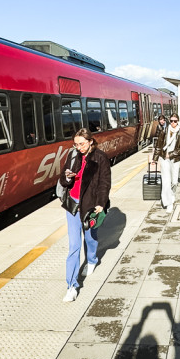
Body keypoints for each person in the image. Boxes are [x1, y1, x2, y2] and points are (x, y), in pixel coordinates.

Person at [57, 128, 111, 302]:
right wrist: (67, 177)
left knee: (90, 238)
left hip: (89, 206)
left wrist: (100, 204)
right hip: (73, 205)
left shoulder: (100, 158)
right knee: (74, 247)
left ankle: (92, 259)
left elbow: (104, 183)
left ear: (90, 142)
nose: (78, 147)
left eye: (81, 144)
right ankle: (71, 286)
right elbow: (62, 179)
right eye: (76, 144)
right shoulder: (73, 155)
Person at [151, 113, 180, 213]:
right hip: (164, 158)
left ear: (178, 121)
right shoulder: (164, 131)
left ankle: (172, 195)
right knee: (166, 181)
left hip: (175, 159)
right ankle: (168, 203)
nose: (173, 123)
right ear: (169, 121)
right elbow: (158, 145)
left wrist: (170, 154)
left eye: (175, 121)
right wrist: (155, 159)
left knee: (174, 181)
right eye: (171, 121)